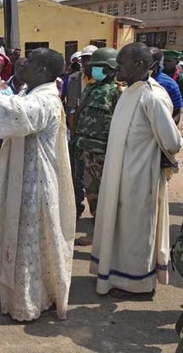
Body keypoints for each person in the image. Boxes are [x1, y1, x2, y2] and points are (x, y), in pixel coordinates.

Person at [0, 47, 76, 321]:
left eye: (29, 61)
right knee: (25, 239)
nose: (21, 63)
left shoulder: (45, 99)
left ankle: (29, 301)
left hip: (34, 183)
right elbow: (11, 109)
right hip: (23, 176)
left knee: (29, 239)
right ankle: (29, 294)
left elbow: (16, 113)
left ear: (43, 71)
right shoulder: (33, 93)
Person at [91, 42, 183, 300]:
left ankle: (139, 286)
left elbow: (173, 141)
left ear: (140, 66)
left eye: (121, 64)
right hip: (118, 173)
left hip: (140, 177)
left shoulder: (152, 96)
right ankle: (117, 276)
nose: (117, 68)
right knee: (119, 228)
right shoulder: (130, 91)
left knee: (137, 232)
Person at [73, 47, 121, 246]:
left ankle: (108, 238)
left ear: (111, 69)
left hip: (104, 154)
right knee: (91, 193)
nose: (94, 71)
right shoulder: (92, 89)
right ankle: (97, 233)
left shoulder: (118, 92)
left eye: (99, 67)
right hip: (85, 151)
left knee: (107, 197)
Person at [66, 45, 98, 219]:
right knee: (76, 175)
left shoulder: (105, 82)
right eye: (85, 59)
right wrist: (72, 132)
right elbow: (70, 107)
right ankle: (77, 208)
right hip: (76, 136)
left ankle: (97, 215)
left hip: (96, 139)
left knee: (95, 177)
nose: (88, 63)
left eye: (91, 59)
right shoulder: (73, 79)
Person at [150, 47, 183, 123]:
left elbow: (177, 110)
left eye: (169, 61)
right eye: (165, 61)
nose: (166, 63)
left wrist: (169, 128)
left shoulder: (171, 84)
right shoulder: (135, 80)